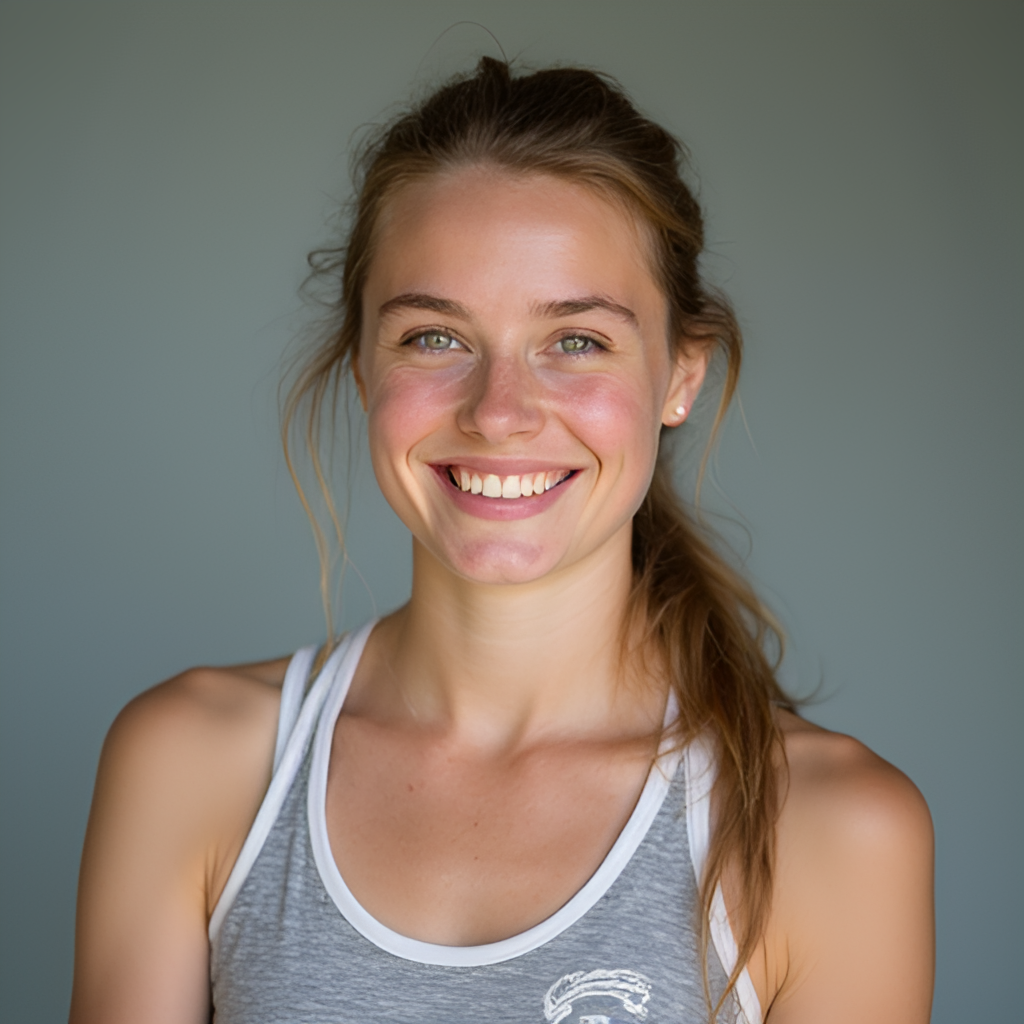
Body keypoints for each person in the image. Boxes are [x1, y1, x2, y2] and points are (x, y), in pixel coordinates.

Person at [69, 58, 934, 1023]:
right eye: (435, 337)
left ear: (680, 376)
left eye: (577, 341)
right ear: (362, 365)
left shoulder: (830, 828)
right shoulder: (192, 763)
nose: (500, 413)